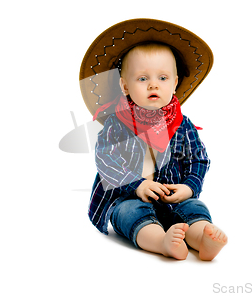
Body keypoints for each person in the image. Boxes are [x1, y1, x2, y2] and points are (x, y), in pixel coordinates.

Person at [80, 19, 227, 260]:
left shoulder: (181, 124)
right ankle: (161, 242)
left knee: (193, 208)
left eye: (162, 78)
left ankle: (202, 238)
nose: (152, 85)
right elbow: (106, 161)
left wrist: (189, 187)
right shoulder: (117, 124)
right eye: (142, 79)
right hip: (128, 196)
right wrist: (137, 185)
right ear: (124, 85)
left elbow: (198, 158)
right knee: (129, 213)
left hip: (172, 197)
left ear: (175, 83)